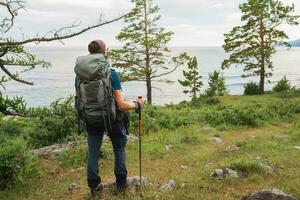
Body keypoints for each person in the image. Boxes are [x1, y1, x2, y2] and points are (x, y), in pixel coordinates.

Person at [74, 40, 145, 197]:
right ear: (104, 53)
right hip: (111, 119)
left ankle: (94, 187)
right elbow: (120, 105)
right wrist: (137, 104)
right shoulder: (111, 74)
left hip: (90, 118)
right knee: (119, 149)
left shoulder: (80, 76)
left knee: (93, 151)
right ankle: (121, 184)